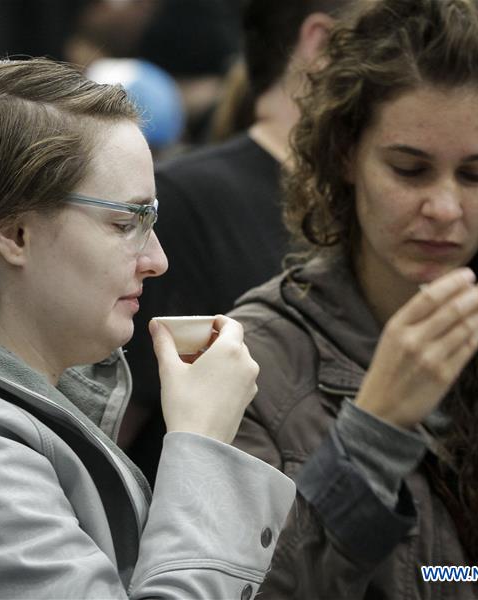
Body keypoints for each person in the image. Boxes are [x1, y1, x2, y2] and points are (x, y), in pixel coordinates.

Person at [0, 57, 296, 598]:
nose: (157, 261)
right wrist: (203, 444)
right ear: (14, 234)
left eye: (151, 223)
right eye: (125, 223)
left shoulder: (8, 403)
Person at [228, 0, 478, 598]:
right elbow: (251, 589)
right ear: (347, 156)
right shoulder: (255, 357)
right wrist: (373, 435)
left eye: (476, 175)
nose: (444, 209)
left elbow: (458, 573)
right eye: (410, 169)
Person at [122, 0, 353, 481]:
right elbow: (107, 440)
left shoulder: (370, 217)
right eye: (404, 36)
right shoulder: (183, 202)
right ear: (322, 43)